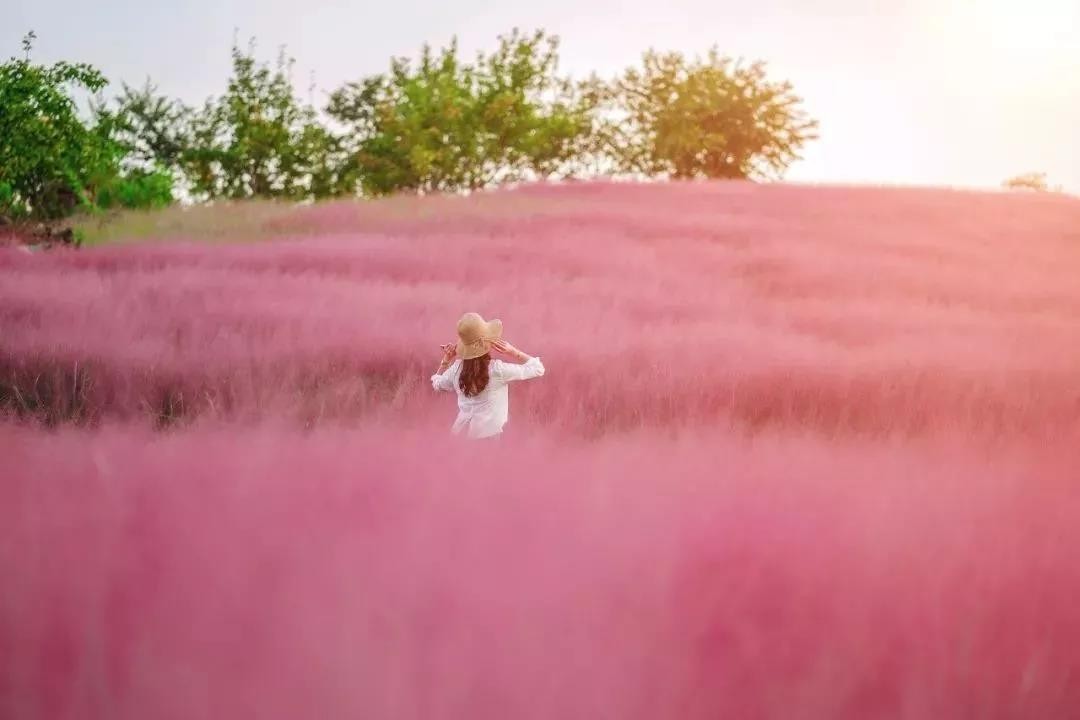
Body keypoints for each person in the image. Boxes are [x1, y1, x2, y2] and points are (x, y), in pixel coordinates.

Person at [431, 312, 545, 439]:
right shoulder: (497, 370)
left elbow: (437, 384)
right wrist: (513, 351)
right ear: (486, 343)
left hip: (460, 434)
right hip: (488, 438)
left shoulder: (456, 368)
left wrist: (446, 360)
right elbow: (538, 368)